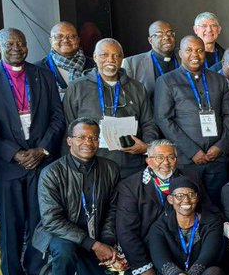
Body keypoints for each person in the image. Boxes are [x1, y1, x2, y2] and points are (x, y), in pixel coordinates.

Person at [0, 28, 65, 275]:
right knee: (10, 230)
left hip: (41, 164)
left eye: (21, 43)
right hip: (6, 168)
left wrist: (41, 150)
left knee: (40, 226)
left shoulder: (42, 74)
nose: (16, 48)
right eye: (9, 44)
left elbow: (57, 117)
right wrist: (15, 153)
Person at [36, 118, 122, 275]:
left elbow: (112, 211)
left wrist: (108, 243)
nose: (88, 142)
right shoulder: (51, 172)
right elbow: (52, 220)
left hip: (94, 236)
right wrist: (94, 245)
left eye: (93, 138)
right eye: (81, 137)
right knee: (64, 252)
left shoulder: (110, 168)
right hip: (61, 235)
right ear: (69, 141)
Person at [114, 141, 212, 275]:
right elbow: (126, 231)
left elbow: (209, 209)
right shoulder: (130, 186)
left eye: (170, 157)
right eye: (159, 158)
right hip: (150, 254)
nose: (165, 163)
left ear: (176, 159)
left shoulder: (190, 177)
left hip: (186, 249)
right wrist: (144, 267)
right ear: (148, 160)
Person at [153, 35, 229, 205]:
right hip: (186, 160)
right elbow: (163, 119)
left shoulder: (218, 80)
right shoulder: (167, 81)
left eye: (199, 50)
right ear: (180, 53)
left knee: (217, 206)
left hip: (217, 158)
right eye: (189, 50)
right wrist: (192, 151)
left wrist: (220, 146)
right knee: (188, 206)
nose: (195, 55)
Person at [66, 38, 159, 177]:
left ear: (122, 59)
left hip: (130, 166)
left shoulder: (137, 88)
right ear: (95, 57)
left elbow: (148, 122)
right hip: (91, 167)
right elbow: (69, 126)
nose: (111, 59)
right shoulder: (77, 88)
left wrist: (146, 146)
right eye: (104, 55)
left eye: (116, 55)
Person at [122, 20, 179, 95]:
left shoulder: (184, 57)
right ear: (150, 40)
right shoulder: (132, 64)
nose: (166, 37)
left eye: (170, 33)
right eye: (159, 34)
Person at [45, 21, 90, 98]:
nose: (65, 40)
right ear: (51, 41)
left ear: (78, 40)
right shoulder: (39, 69)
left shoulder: (93, 66)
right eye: (59, 36)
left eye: (71, 36)